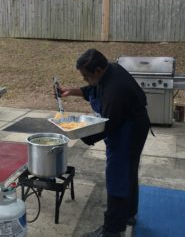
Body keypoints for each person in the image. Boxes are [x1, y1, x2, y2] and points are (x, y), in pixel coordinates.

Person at [58, 49, 150, 237]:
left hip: (128, 132)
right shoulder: (109, 71)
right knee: (129, 172)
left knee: (117, 176)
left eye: (86, 76)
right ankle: (128, 214)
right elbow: (93, 88)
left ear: (98, 70)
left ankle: (112, 229)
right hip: (130, 123)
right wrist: (70, 91)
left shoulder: (115, 91)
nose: (84, 79)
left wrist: (78, 132)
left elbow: (106, 126)